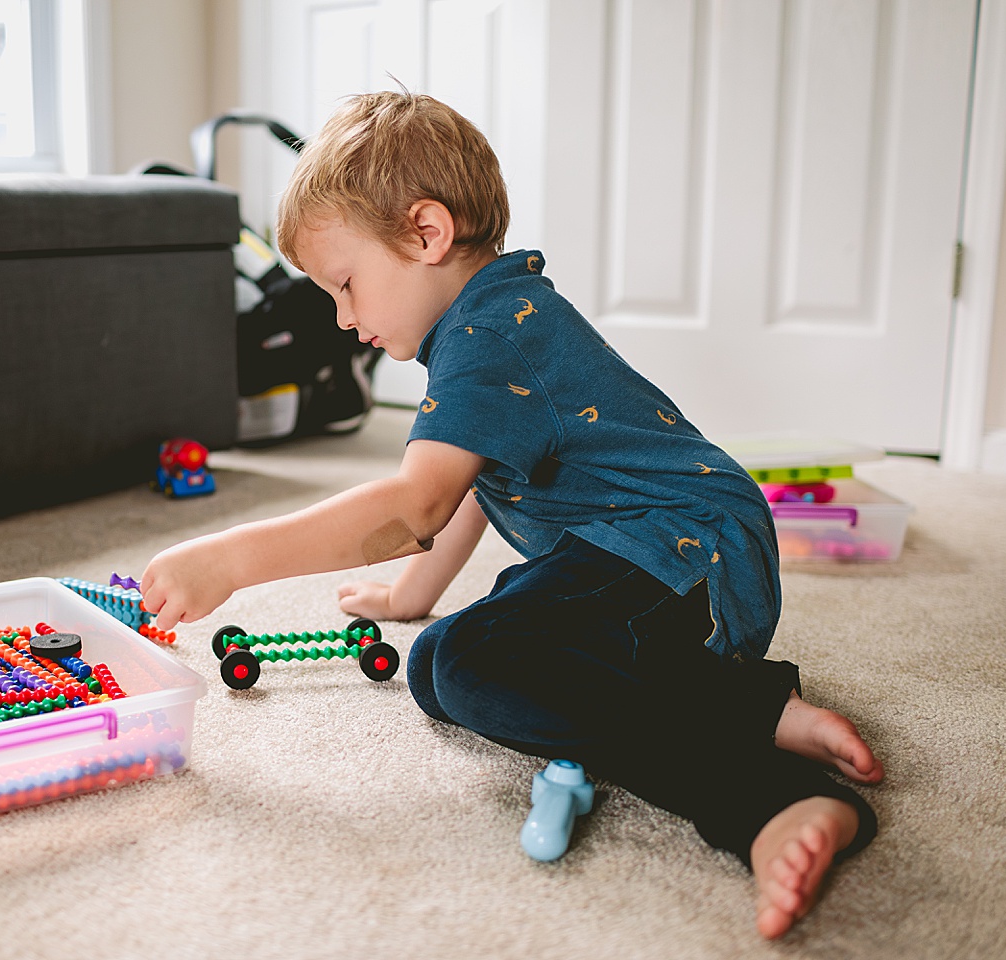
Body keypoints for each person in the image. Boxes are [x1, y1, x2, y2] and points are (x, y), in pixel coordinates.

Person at [140, 90, 883, 939]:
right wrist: (412, 594)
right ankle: (747, 703)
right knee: (436, 667)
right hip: (660, 559)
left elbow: (416, 500)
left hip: (682, 546)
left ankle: (768, 798)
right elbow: (465, 495)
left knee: (473, 658)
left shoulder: (490, 338)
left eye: (345, 286)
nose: (344, 320)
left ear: (426, 234)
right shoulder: (487, 320)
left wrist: (235, 558)